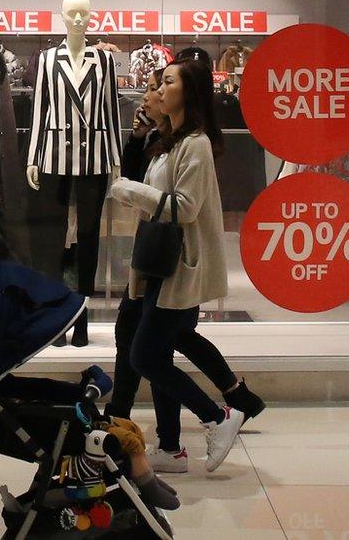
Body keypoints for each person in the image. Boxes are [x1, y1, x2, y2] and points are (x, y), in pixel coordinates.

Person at [106, 68, 265, 473]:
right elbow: (157, 194)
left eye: (167, 83)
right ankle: (173, 448)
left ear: (189, 93)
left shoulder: (195, 144)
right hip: (159, 263)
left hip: (179, 265)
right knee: (156, 351)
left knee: (144, 355)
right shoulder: (170, 142)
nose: (158, 90)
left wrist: (128, 189)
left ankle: (218, 416)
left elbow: (184, 207)